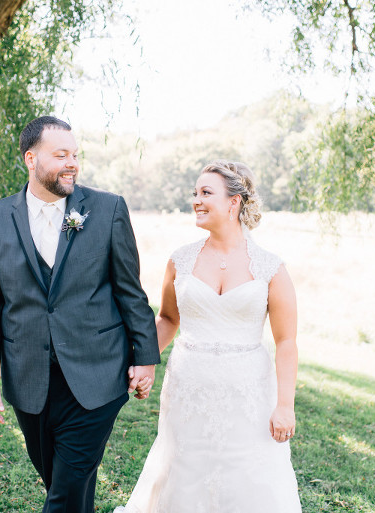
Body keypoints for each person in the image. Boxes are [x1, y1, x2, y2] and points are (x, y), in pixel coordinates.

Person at [0, 115, 160, 513]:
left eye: (75, 154)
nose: (72, 162)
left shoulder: (107, 210)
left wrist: (146, 357)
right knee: (62, 483)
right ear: (30, 159)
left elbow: (130, 290)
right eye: (61, 155)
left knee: (64, 494)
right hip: (28, 380)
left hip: (98, 374)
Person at [116, 160, 301, 512]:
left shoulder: (270, 268)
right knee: (184, 472)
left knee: (248, 477)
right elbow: (168, 318)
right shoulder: (180, 261)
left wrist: (285, 405)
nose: (196, 200)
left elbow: (287, 342)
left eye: (206, 193)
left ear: (234, 203)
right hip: (188, 390)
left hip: (249, 395)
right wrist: (145, 363)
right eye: (195, 193)